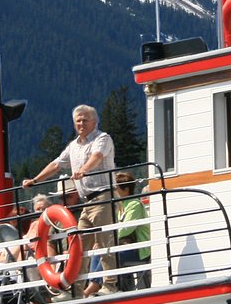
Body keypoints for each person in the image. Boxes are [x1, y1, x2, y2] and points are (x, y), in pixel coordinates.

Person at [22, 104, 118, 293]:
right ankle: (76, 288)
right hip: (87, 201)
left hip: (103, 195)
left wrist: (84, 170)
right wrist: (35, 180)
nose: (81, 123)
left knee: (105, 240)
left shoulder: (102, 138)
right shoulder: (73, 146)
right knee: (78, 244)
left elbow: (97, 157)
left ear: (94, 121)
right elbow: (56, 164)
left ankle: (110, 285)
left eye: (85, 119)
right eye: (78, 120)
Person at [113, 172, 152, 290]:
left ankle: (99, 287)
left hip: (139, 250)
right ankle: (118, 288)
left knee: (109, 255)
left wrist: (107, 238)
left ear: (126, 190)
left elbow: (125, 229)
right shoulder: (121, 204)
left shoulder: (134, 204)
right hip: (125, 247)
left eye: (116, 188)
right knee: (102, 253)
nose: (113, 191)